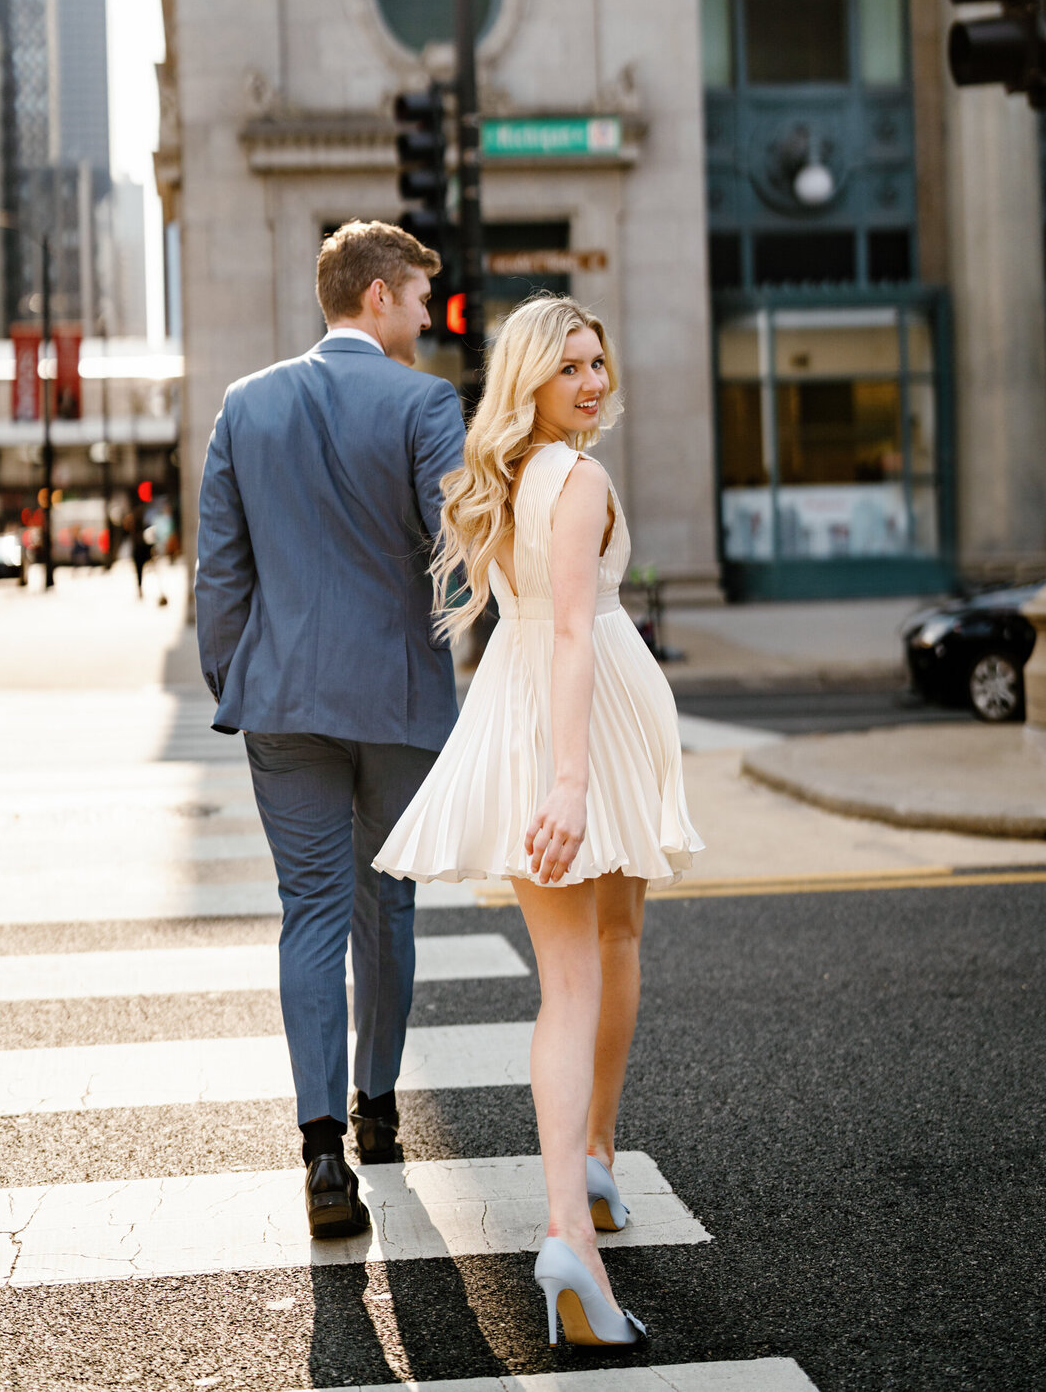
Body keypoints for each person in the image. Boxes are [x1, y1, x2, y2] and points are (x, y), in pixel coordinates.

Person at [376, 294, 702, 1347]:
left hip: (542, 712)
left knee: (606, 949)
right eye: (571, 369)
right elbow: (571, 632)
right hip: (578, 722)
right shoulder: (578, 477)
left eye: (600, 361)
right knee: (581, 971)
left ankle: (595, 1166)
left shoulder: (511, 477)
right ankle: (572, 1227)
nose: (594, 381)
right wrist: (568, 782)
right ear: (530, 380)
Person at [195, 219, 465, 1240]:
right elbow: (459, 545)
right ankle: (380, 1108)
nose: (427, 315)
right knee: (383, 903)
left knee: (309, 909)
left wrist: (241, 676)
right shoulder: (423, 401)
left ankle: (322, 1153)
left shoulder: (245, 405)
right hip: (395, 698)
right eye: (419, 295)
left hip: (282, 699)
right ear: (380, 295)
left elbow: (221, 573)